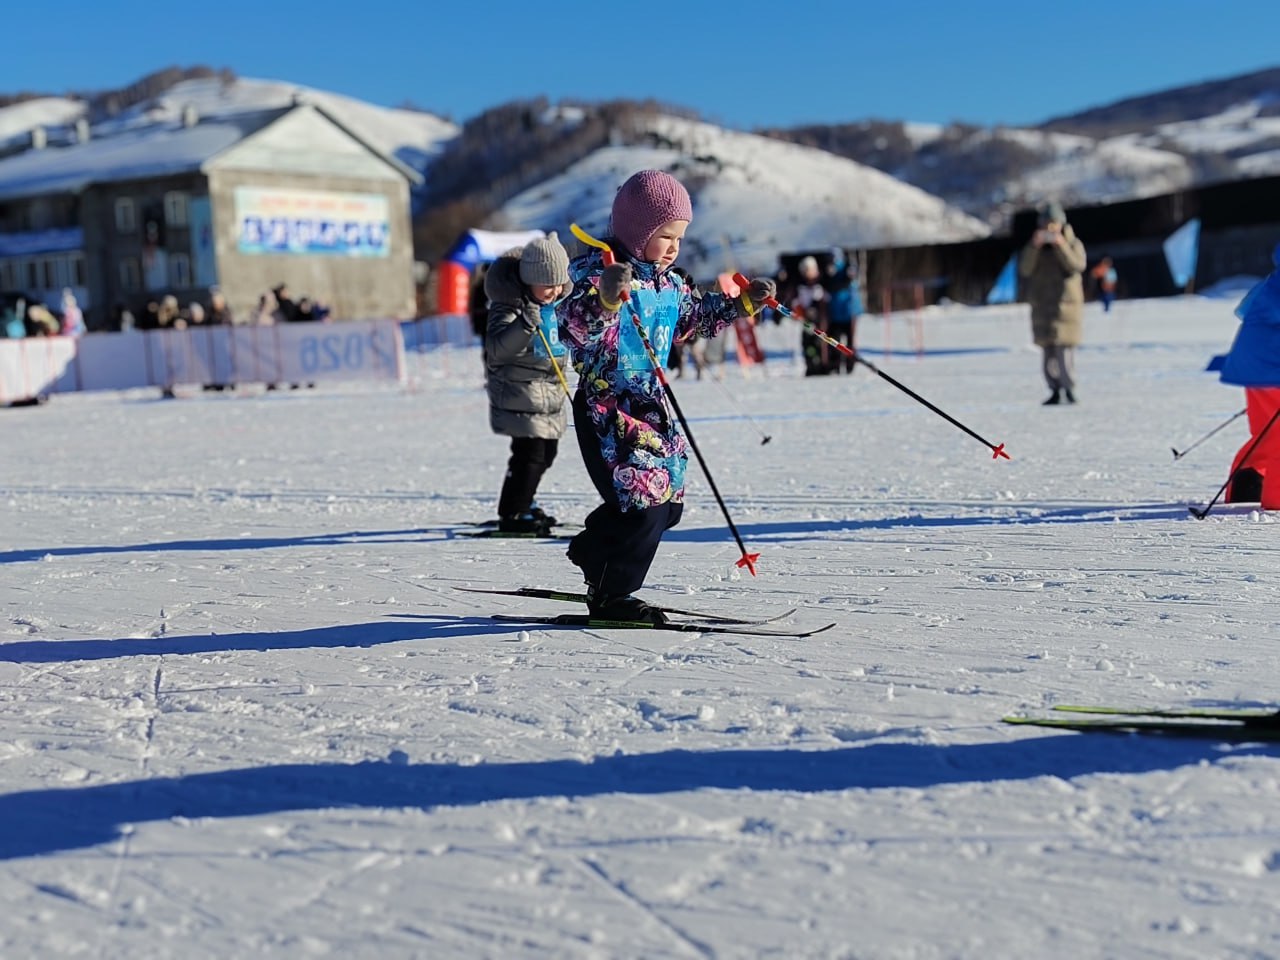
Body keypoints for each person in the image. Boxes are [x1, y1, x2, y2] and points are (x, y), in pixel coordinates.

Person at [556, 169, 776, 623]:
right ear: (638, 232)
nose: (675, 246)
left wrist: (740, 303)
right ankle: (612, 594)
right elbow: (573, 328)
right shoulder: (597, 274)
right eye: (666, 236)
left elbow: (693, 320)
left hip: (653, 406)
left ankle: (593, 549)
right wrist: (605, 300)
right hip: (608, 407)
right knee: (642, 501)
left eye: (679, 236)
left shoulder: (671, 284)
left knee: (669, 504)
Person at [484, 233, 573, 535]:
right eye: (547, 284)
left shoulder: (556, 305)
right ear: (528, 279)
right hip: (520, 395)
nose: (555, 290)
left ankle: (526, 500)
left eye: (559, 283)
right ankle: (513, 511)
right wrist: (525, 324)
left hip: (549, 395)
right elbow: (497, 350)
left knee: (546, 454)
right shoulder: (508, 306)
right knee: (529, 457)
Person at [1219, 243, 1280, 507]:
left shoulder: (1273, 281)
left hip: (1254, 366)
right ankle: (1276, 499)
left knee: (1268, 432)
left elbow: (1243, 311)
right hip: (1270, 366)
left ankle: (1246, 486)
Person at [1018, 201, 1086, 405]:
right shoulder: (1035, 247)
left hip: (1066, 307)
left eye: (1053, 223)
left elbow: (1076, 265)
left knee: (1065, 354)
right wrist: (1034, 247)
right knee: (1048, 355)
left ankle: (1070, 388)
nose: (1049, 228)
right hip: (1042, 307)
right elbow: (1025, 269)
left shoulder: (1072, 243)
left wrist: (1061, 245)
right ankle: (1054, 389)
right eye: (1046, 224)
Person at [824, 248, 863, 374]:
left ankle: (849, 366)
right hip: (835, 312)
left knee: (850, 342)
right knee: (834, 341)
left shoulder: (847, 269)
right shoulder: (829, 272)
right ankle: (835, 366)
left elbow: (851, 283)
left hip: (849, 311)